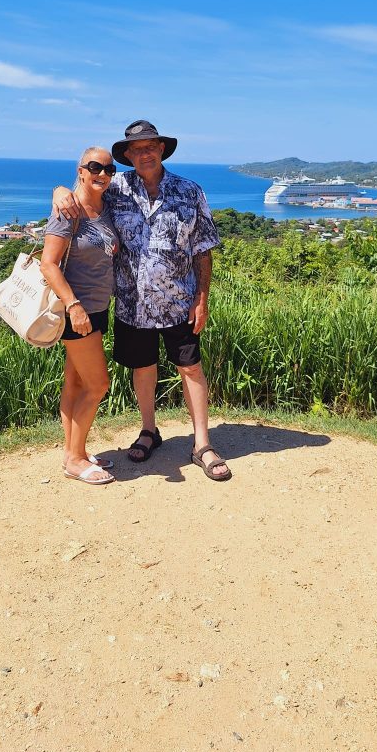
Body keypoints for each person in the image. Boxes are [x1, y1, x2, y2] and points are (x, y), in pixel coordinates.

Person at [54, 120, 231, 481]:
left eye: (150, 146)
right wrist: (58, 191)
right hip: (132, 304)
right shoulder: (116, 188)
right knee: (143, 367)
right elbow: (83, 193)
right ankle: (149, 430)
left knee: (191, 368)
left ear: (162, 149)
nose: (145, 154)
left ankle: (202, 444)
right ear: (129, 156)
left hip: (179, 301)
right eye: (137, 149)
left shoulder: (189, 191)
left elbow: (203, 250)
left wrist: (202, 298)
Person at [41, 146, 120, 486]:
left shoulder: (106, 205)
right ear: (81, 170)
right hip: (77, 312)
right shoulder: (67, 210)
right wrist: (73, 305)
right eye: (95, 167)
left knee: (75, 382)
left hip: (98, 308)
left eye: (109, 169)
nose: (103, 174)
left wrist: (57, 188)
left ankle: (75, 452)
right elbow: (48, 264)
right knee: (98, 384)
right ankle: (75, 459)